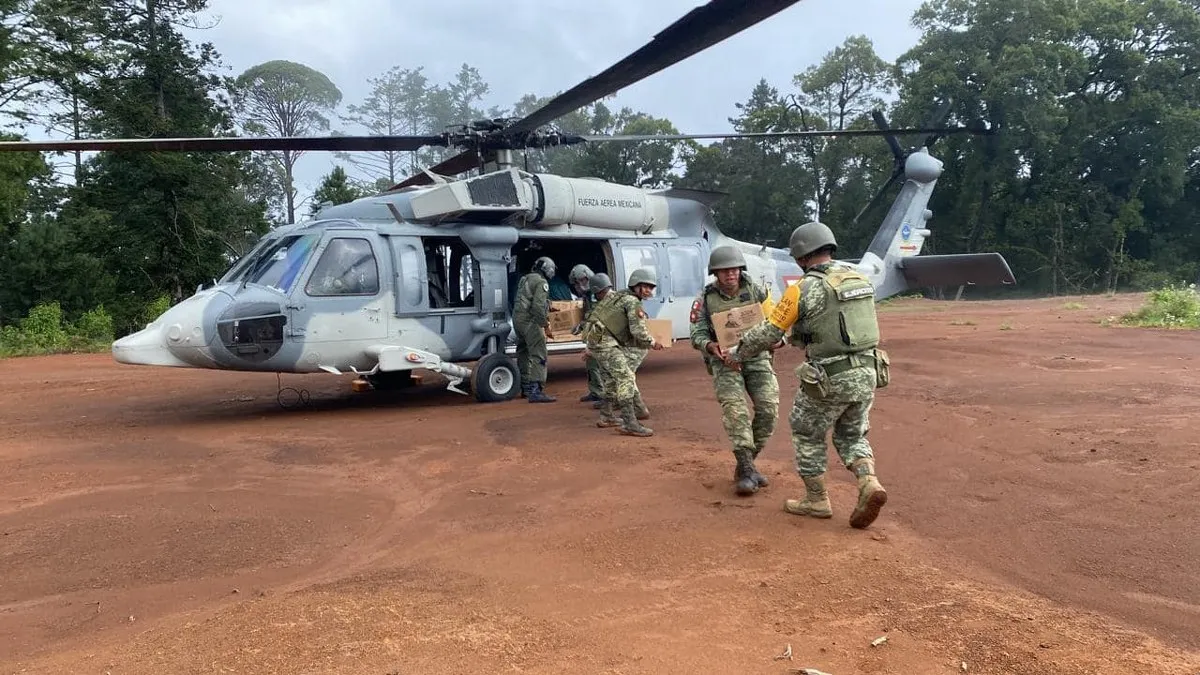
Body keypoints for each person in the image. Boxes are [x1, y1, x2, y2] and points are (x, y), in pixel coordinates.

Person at [729, 221, 889, 529]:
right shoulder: (858, 278)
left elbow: (770, 330)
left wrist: (739, 352)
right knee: (852, 434)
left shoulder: (802, 288)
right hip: (868, 371)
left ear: (801, 256)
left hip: (830, 376)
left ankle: (816, 500)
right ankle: (868, 480)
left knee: (806, 431)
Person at [689, 245, 781, 497]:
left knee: (769, 410)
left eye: (735, 269)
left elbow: (774, 322)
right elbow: (695, 333)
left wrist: (777, 339)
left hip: (756, 358)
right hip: (725, 362)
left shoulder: (757, 291)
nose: (731, 274)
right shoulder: (704, 300)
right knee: (736, 412)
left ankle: (744, 465)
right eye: (724, 270)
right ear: (715, 273)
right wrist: (709, 345)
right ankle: (749, 469)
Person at [582, 269, 663, 436]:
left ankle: (607, 416)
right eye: (645, 287)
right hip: (605, 342)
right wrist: (653, 342)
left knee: (612, 379)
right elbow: (637, 331)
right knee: (625, 378)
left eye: (651, 287)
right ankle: (630, 423)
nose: (649, 291)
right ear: (635, 286)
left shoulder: (618, 295)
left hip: (596, 339)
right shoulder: (633, 302)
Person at [512, 256, 558, 403]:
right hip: (530, 322)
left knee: (523, 353)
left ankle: (525, 387)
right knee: (539, 354)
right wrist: (545, 325)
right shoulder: (541, 282)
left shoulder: (525, 279)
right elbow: (537, 307)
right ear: (548, 270)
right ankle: (536, 390)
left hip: (518, 320)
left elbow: (527, 299)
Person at [568, 263, 605, 404]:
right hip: (592, 332)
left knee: (601, 364)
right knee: (591, 364)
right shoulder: (588, 294)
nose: (579, 285)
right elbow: (589, 314)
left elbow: (598, 315)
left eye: (582, 281)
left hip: (601, 332)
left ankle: (604, 395)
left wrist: (584, 325)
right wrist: (582, 325)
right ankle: (595, 392)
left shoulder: (598, 291)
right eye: (577, 283)